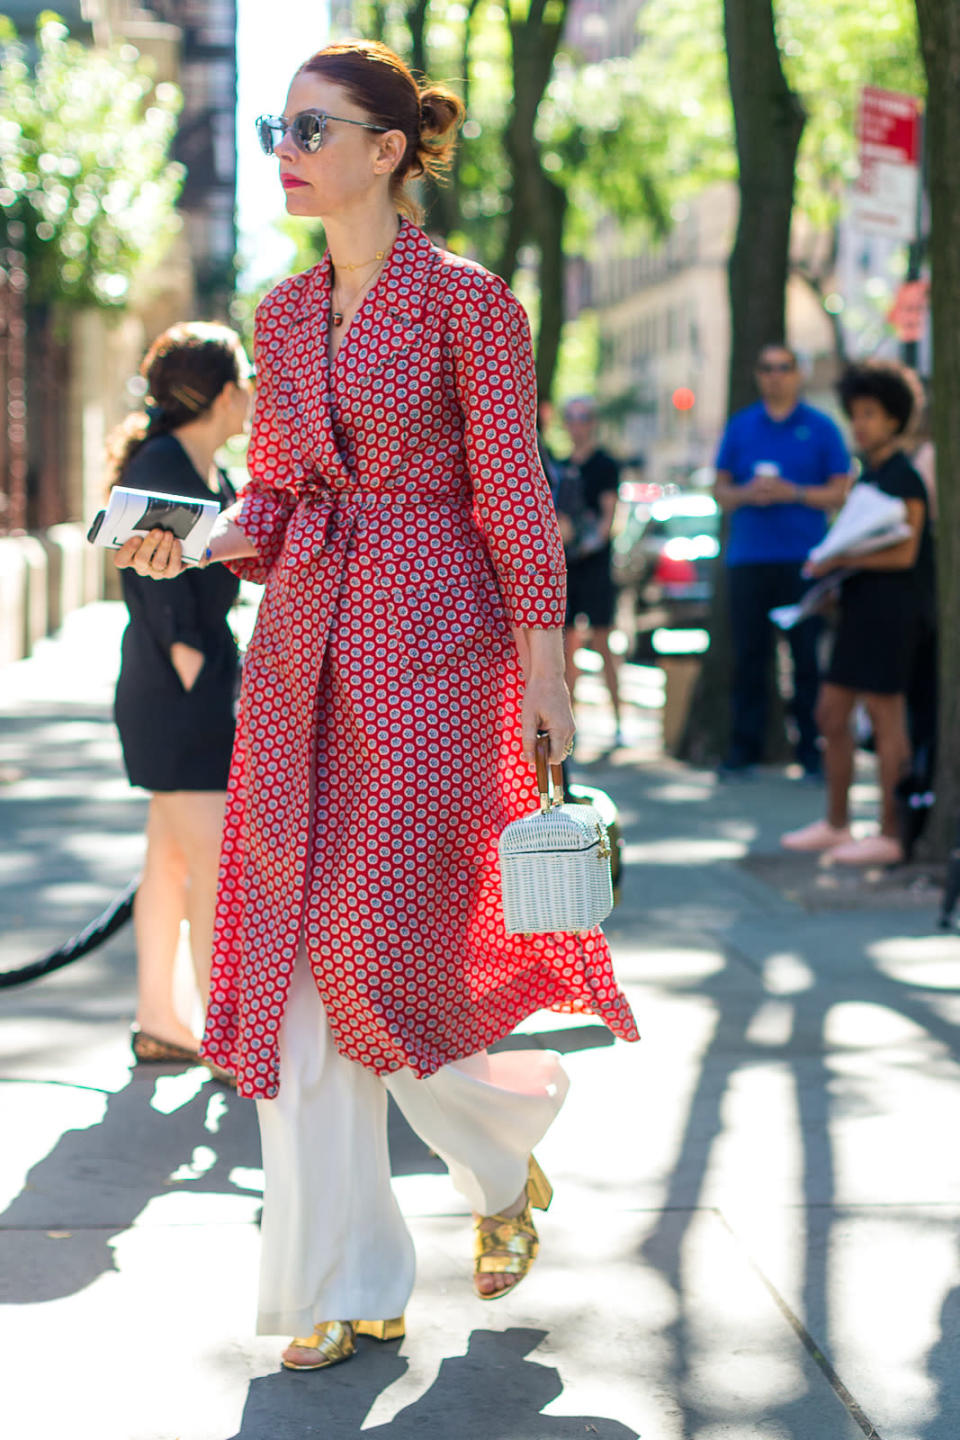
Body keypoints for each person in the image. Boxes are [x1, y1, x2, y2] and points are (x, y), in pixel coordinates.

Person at [116, 39, 638, 1373]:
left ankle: (505, 1139)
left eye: (312, 127)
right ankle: (346, 1278)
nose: (285, 148)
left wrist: (545, 668)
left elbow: (515, 498)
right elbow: (280, 497)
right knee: (294, 973)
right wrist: (203, 540)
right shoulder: (286, 317)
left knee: (372, 955)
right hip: (301, 656)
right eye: (279, 128)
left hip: (442, 652)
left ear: (390, 148)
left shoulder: (471, 304)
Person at [110, 323, 253, 1065]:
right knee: (214, 873)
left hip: (187, 690)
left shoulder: (208, 467)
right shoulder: (164, 460)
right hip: (177, 694)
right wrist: (195, 662)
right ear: (224, 393)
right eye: (248, 380)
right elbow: (142, 569)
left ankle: (162, 1021)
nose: (254, 393)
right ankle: (225, 1041)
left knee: (169, 864)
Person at [781, 361, 935, 865]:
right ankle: (836, 823)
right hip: (857, 611)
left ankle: (892, 833)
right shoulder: (868, 475)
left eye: (871, 414)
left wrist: (840, 558)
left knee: (887, 719)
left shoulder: (905, 478)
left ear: (895, 418)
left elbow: (905, 554)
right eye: (856, 414)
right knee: (830, 713)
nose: (860, 424)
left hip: (893, 614)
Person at [714, 343, 851, 778]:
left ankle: (811, 753)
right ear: (757, 374)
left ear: (797, 374)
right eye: (767, 367)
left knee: (807, 657)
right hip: (749, 559)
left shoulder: (821, 427)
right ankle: (744, 750)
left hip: (804, 562)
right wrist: (747, 493)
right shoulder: (741, 427)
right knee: (750, 657)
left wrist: (793, 492)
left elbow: (841, 491)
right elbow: (719, 490)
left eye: (784, 368)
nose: (775, 375)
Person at [556, 397, 623, 748]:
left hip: (595, 567)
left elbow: (609, 517)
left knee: (602, 643)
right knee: (567, 649)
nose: (577, 424)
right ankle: (571, 724)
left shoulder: (605, 464)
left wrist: (586, 543)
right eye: (571, 417)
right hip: (567, 570)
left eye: (583, 417)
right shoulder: (558, 464)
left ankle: (618, 722)